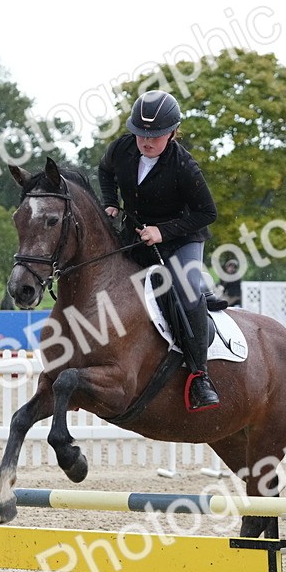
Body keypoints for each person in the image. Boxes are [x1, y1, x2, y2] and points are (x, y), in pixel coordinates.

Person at [98, 89, 220, 411]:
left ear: (172, 133)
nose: (146, 141)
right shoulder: (122, 148)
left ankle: (200, 376)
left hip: (182, 238)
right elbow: (104, 170)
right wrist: (110, 202)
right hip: (137, 234)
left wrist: (162, 232)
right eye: (141, 134)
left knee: (186, 291)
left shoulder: (184, 166)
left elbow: (207, 213)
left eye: (154, 136)